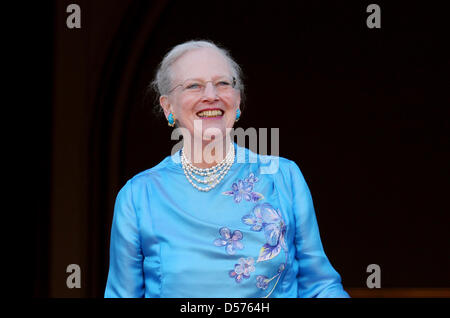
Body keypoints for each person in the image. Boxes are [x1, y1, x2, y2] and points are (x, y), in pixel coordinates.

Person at [104, 40, 350, 298]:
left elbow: (320, 286)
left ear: (238, 100)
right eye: (193, 85)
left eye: (223, 83)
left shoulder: (283, 177)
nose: (211, 95)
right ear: (168, 107)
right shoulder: (139, 195)